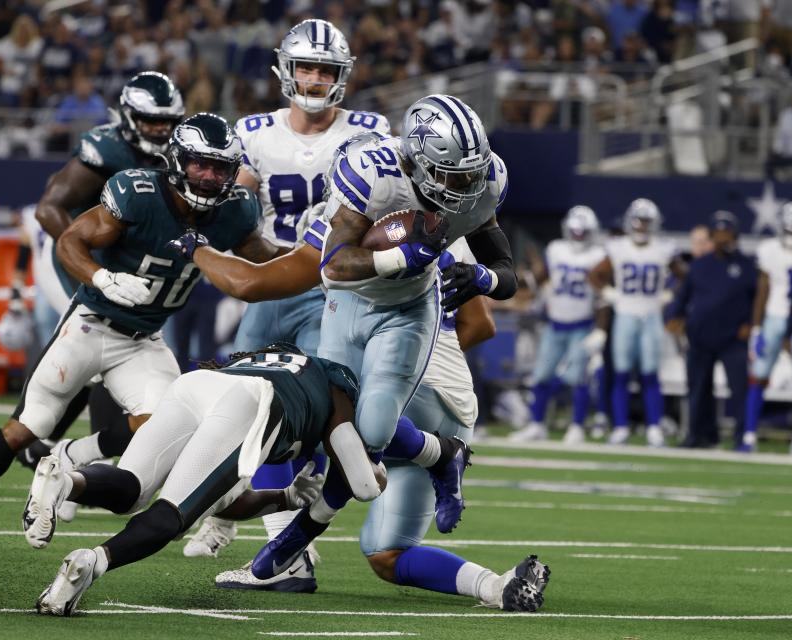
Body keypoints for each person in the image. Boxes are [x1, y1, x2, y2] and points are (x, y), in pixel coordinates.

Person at [0, 113, 284, 555]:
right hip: (90, 324)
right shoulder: (139, 192)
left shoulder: (236, 208)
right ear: (178, 160)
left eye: (218, 167)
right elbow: (70, 240)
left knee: (165, 425)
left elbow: (262, 258)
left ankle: (72, 456)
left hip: (144, 340)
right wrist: (103, 278)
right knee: (28, 426)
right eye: (199, 164)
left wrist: (314, 257)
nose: (207, 176)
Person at [171, 222, 549, 612]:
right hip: (453, 410)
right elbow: (481, 324)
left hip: (405, 401)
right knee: (387, 553)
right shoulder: (447, 230)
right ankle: (496, 586)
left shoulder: (356, 223)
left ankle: (287, 552)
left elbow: (254, 282)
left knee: (295, 409)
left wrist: (200, 250)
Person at [248, 93, 517, 582]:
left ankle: (283, 553)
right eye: (452, 175)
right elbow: (333, 264)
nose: (465, 187)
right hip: (352, 306)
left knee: (354, 433)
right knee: (330, 432)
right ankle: (284, 552)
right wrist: (399, 258)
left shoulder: (475, 189)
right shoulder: (372, 178)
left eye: (470, 174)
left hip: (415, 328)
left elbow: (504, 274)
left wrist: (484, 280)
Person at [183, 18, 390, 580]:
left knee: (314, 409)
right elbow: (235, 209)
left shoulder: (368, 130)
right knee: (240, 401)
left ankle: (287, 540)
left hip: (335, 290)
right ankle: (226, 514)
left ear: (341, 75)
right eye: (308, 67)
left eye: (327, 69)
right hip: (275, 281)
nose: (317, 78)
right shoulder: (254, 132)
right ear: (287, 69)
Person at [30, 344, 378, 615]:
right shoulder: (335, 382)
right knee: (173, 517)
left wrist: (286, 497)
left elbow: (226, 503)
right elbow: (362, 481)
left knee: (131, 487)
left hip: (196, 384)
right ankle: (94, 562)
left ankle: (66, 483)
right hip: (252, 402)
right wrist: (373, 470)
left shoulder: (266, 361)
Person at [15, 71, 185, 478]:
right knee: (95, 343)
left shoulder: (180, 152)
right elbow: (48, 209)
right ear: (128, 117)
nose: (161, 129)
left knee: (105, 357)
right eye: (151, 121)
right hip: (71, 257)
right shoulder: (105, 148)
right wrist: (89, 262)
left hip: (129, 267)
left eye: (167, 120)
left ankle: (54, 444)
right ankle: (35, 433)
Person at [512, 206, 606, 444]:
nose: (577, 236)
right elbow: (542, 277)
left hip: (582, 324)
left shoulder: (598, 256)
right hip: (555, 324)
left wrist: (601, 329)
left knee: (577, 378)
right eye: (574, 231)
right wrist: (526, 281)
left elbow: (603, 296)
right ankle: (537, 424)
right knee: (541, 375)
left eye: (582, 232)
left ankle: (576, 426)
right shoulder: (556, 250)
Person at [667, 211, 757, 449]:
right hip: (701, 336)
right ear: (712, 237)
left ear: (735, 236)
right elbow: (684, 295)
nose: (722, 239)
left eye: (727, 234)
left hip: (733, 338)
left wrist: (751, 324)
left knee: (739, 390)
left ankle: (742, 437)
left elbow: (757, 299)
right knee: (697, 388)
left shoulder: (746, 266)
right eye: (718, 234)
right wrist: (675, 315)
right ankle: (699, 435)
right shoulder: (700, 265)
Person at [590, 198, 674, 446]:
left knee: (650, 374)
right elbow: (595, 275)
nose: (641, 226)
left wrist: (671, 295)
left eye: (646, 221)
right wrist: (608, 293)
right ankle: (621, 427)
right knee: (621, 374)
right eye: (638, 221)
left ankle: (654, 427)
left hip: (651, 315)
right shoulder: (618, 247)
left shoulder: (663, 248)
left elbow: (685, 277)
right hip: (625, 313)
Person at [742, 202, 792, 452]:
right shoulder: (769, 249)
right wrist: (757, 328)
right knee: (758, 376)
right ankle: (749, 434)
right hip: (774, 315)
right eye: (790, 228)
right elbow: (763, 290)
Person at [767, 86, 792, 182]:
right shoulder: (785, 116)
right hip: (785, 155)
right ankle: (775, 188)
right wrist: (777, 151)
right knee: (769, 164)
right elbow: (779, 135)